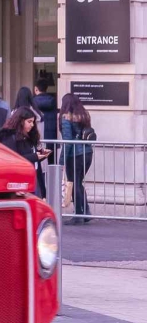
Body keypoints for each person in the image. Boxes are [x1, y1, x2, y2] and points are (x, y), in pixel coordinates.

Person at [0, 106, 50, 195]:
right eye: (29, 121)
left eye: (33, 122)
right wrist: (35, 156)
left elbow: (31, 157)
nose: (32, 125)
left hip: (31, 179)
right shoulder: (9, 137)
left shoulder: (29, 136)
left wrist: (40, 155)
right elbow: (12, 159)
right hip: (18, 182)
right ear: (20, 121)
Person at [60, 93, 96, 224]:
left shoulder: (66, 117)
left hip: (74, 155)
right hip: (88, 153)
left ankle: (79, 215)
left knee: (74, 183)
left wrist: (61, 161)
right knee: (78, 182)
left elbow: (68, 141)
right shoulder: (84, 115)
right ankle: (85, 212)